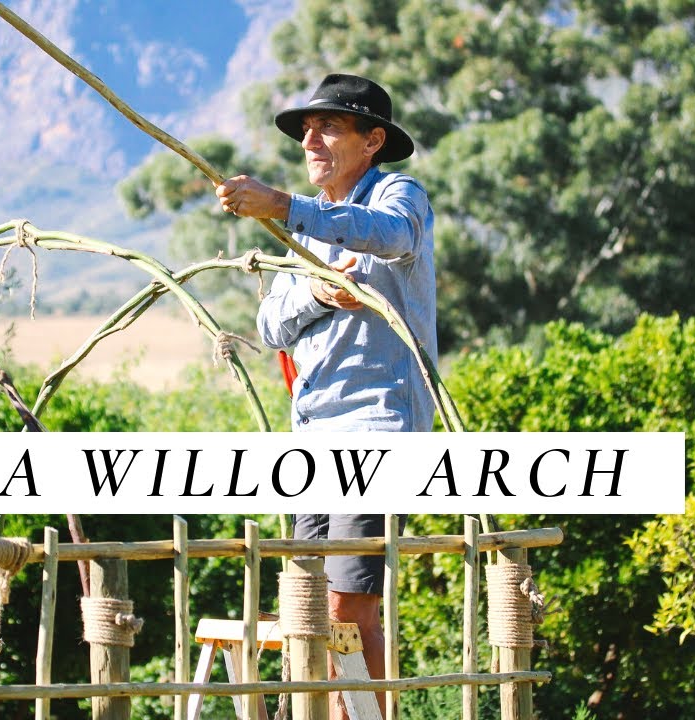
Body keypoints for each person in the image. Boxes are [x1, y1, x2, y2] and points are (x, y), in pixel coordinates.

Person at [215, 73, 436, 718]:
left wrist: (283, 206)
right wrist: (314, 293)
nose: (311, 139)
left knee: (350, 600)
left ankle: (361, 715)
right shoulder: (305, 233)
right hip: (310, 429)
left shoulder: (399, 195)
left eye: (329, 127)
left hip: (375, 431)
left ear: (373, 141)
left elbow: (391, 236)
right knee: (304, 595)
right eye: (307, 129)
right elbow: (268, 324)